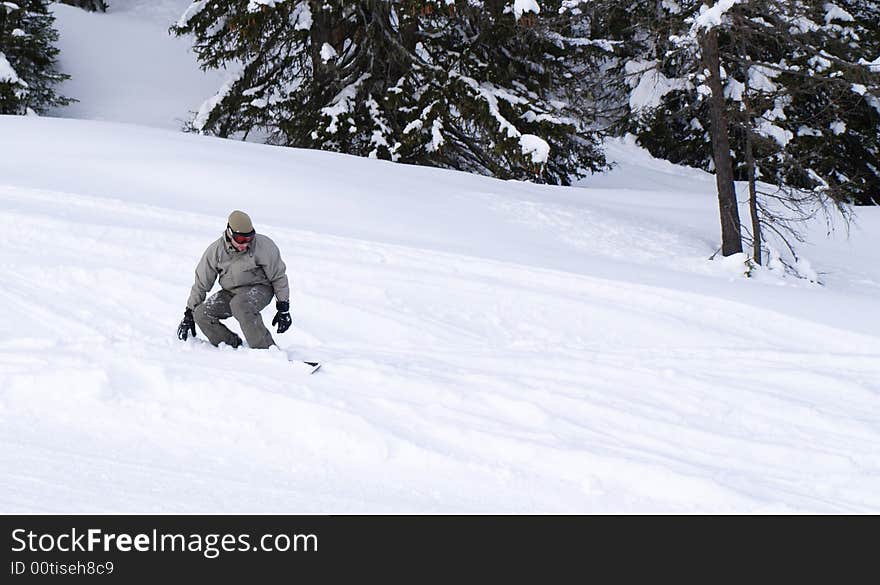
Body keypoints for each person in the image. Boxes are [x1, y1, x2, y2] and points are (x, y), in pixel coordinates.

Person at [177, 210, 292, 349]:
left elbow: (278, 276)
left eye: (249, 239)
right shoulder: (215, 251)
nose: (245, 244)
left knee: (240, 305)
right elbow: (201, 283)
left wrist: (283, 307)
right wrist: (189, 312)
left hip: (260, 288)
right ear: (229, 233)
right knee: (201, 314)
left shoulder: (264, 246)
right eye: (241, 240)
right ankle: (231, 346)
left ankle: (266, 349)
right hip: (231, 292)